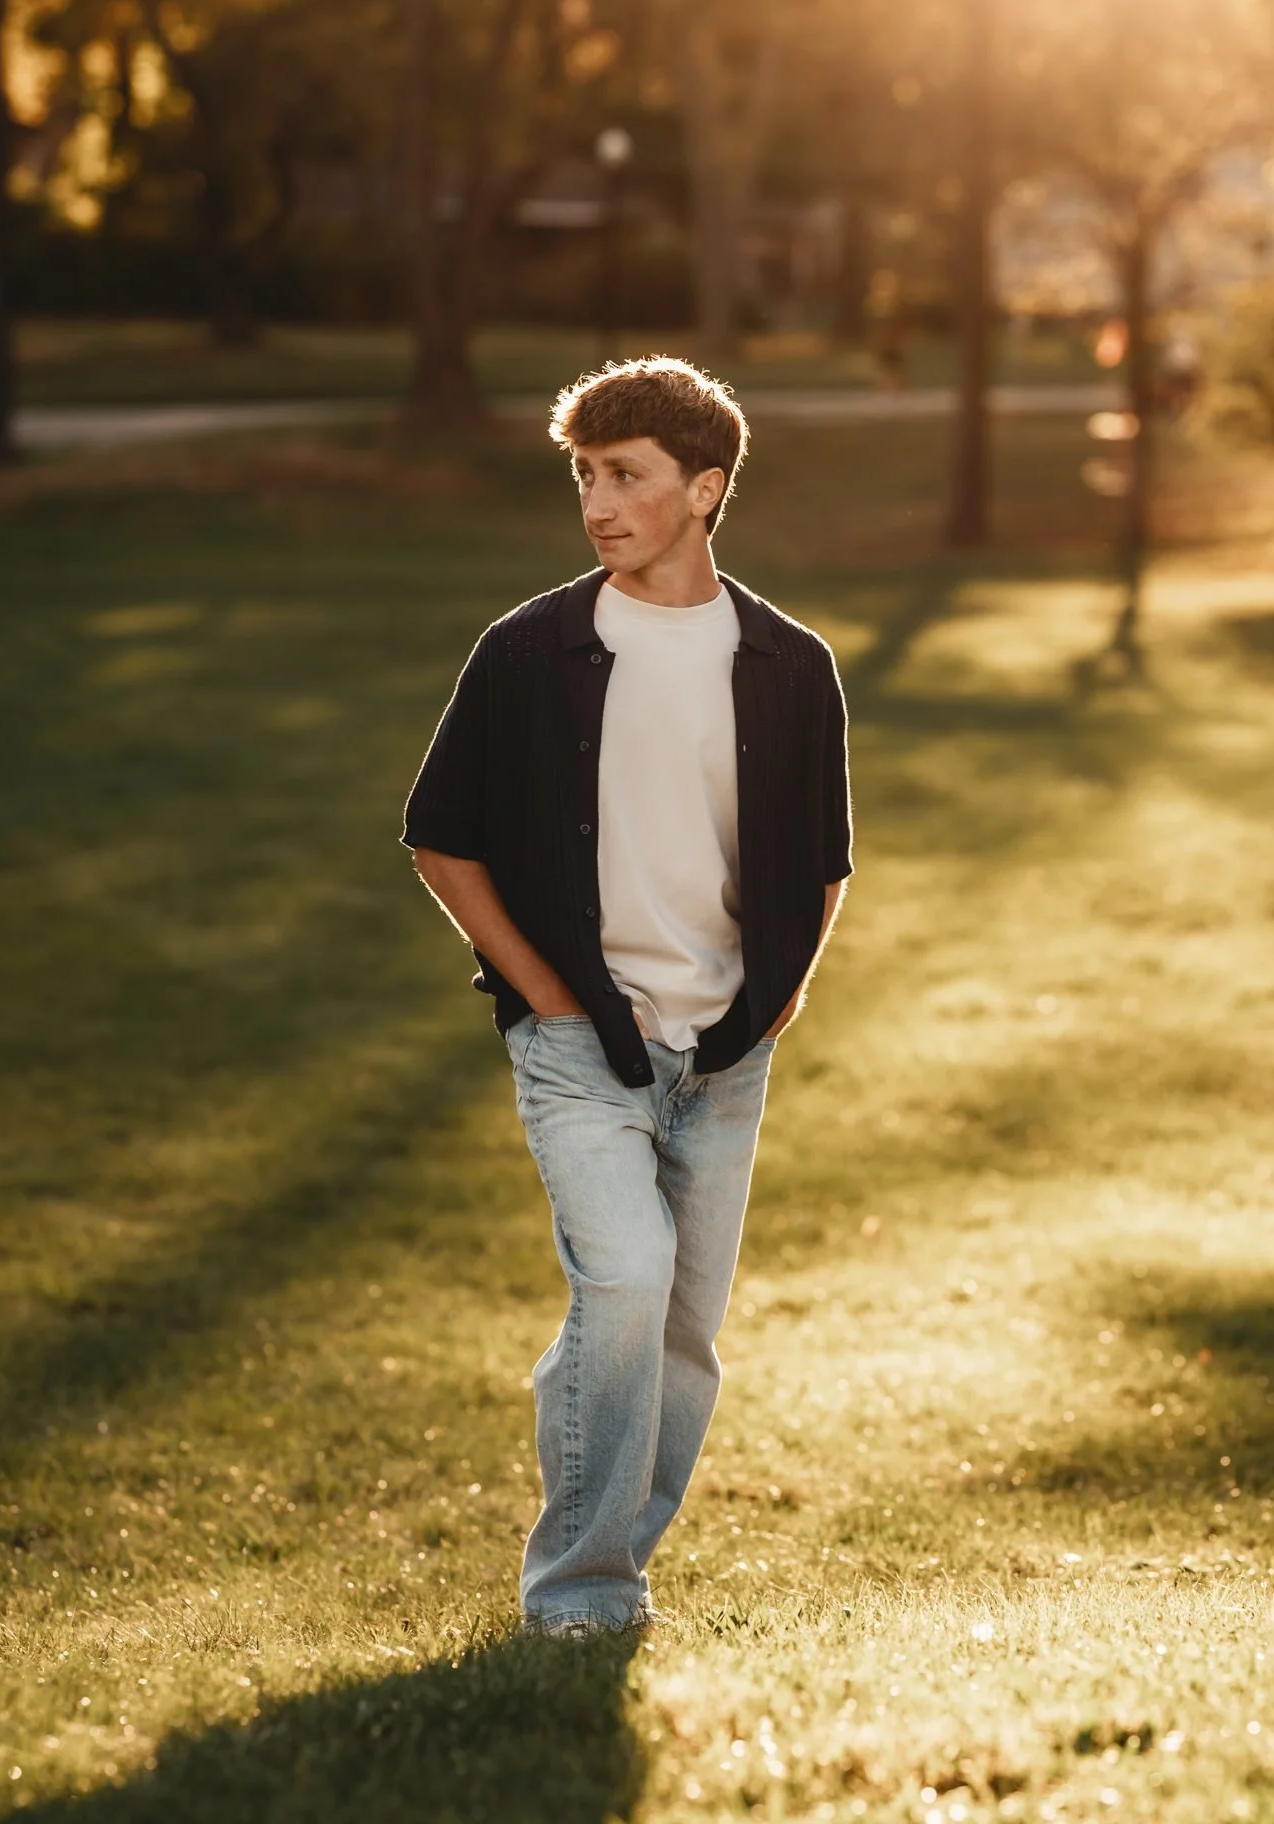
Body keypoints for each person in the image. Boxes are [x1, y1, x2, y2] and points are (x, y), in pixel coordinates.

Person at [402, 355, 852, 1635]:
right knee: (623, 1285)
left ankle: (619, 1542)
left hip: (725, 1051)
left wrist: (772, 1008)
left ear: (703, 489)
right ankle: (583, 1589)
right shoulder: (529, 651)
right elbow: (443, 838)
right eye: (584, 474)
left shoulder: (788, 662)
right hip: (576, 1038)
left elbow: (822, 864)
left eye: (628, 476)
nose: (598, 501)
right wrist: (549, 1000)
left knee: (681, 1328)